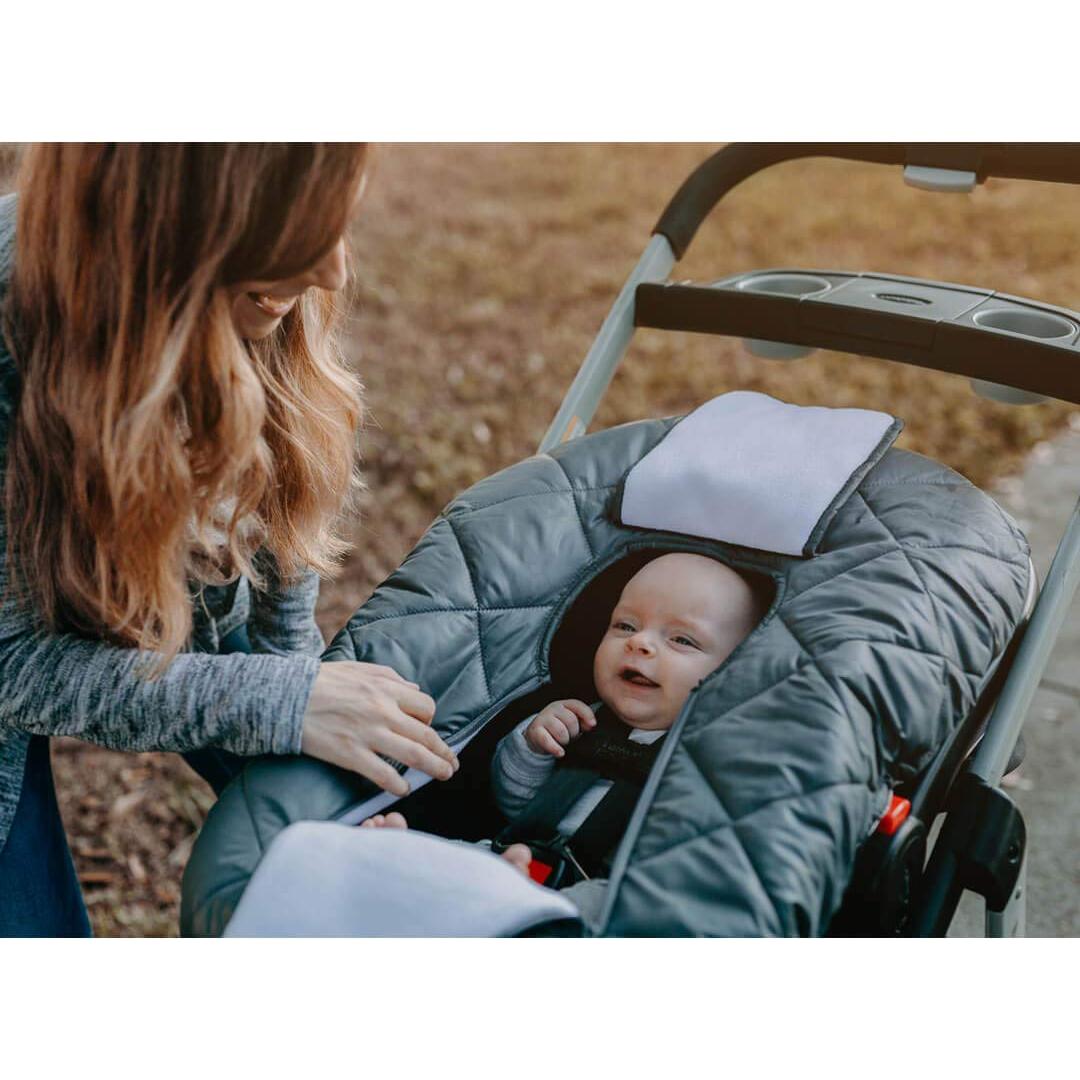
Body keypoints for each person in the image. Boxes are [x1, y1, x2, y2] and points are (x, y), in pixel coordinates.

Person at [0, 144, 458, 937]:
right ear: (172, 224)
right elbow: (14, 665)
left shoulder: (265, 278)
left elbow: (285, 499)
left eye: (336, 223)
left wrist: (301, 715)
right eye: (300, 235)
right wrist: (284, 703)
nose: (333, 273)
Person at [364, 552, 767, 899]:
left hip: (601, 895)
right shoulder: (584, 720)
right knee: (464, 858)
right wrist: (532, 747)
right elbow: (515, 803)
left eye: (682, 640)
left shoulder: (715, 759)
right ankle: (402, 859)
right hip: (514, 854)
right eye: (625, 625)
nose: (640, 643)